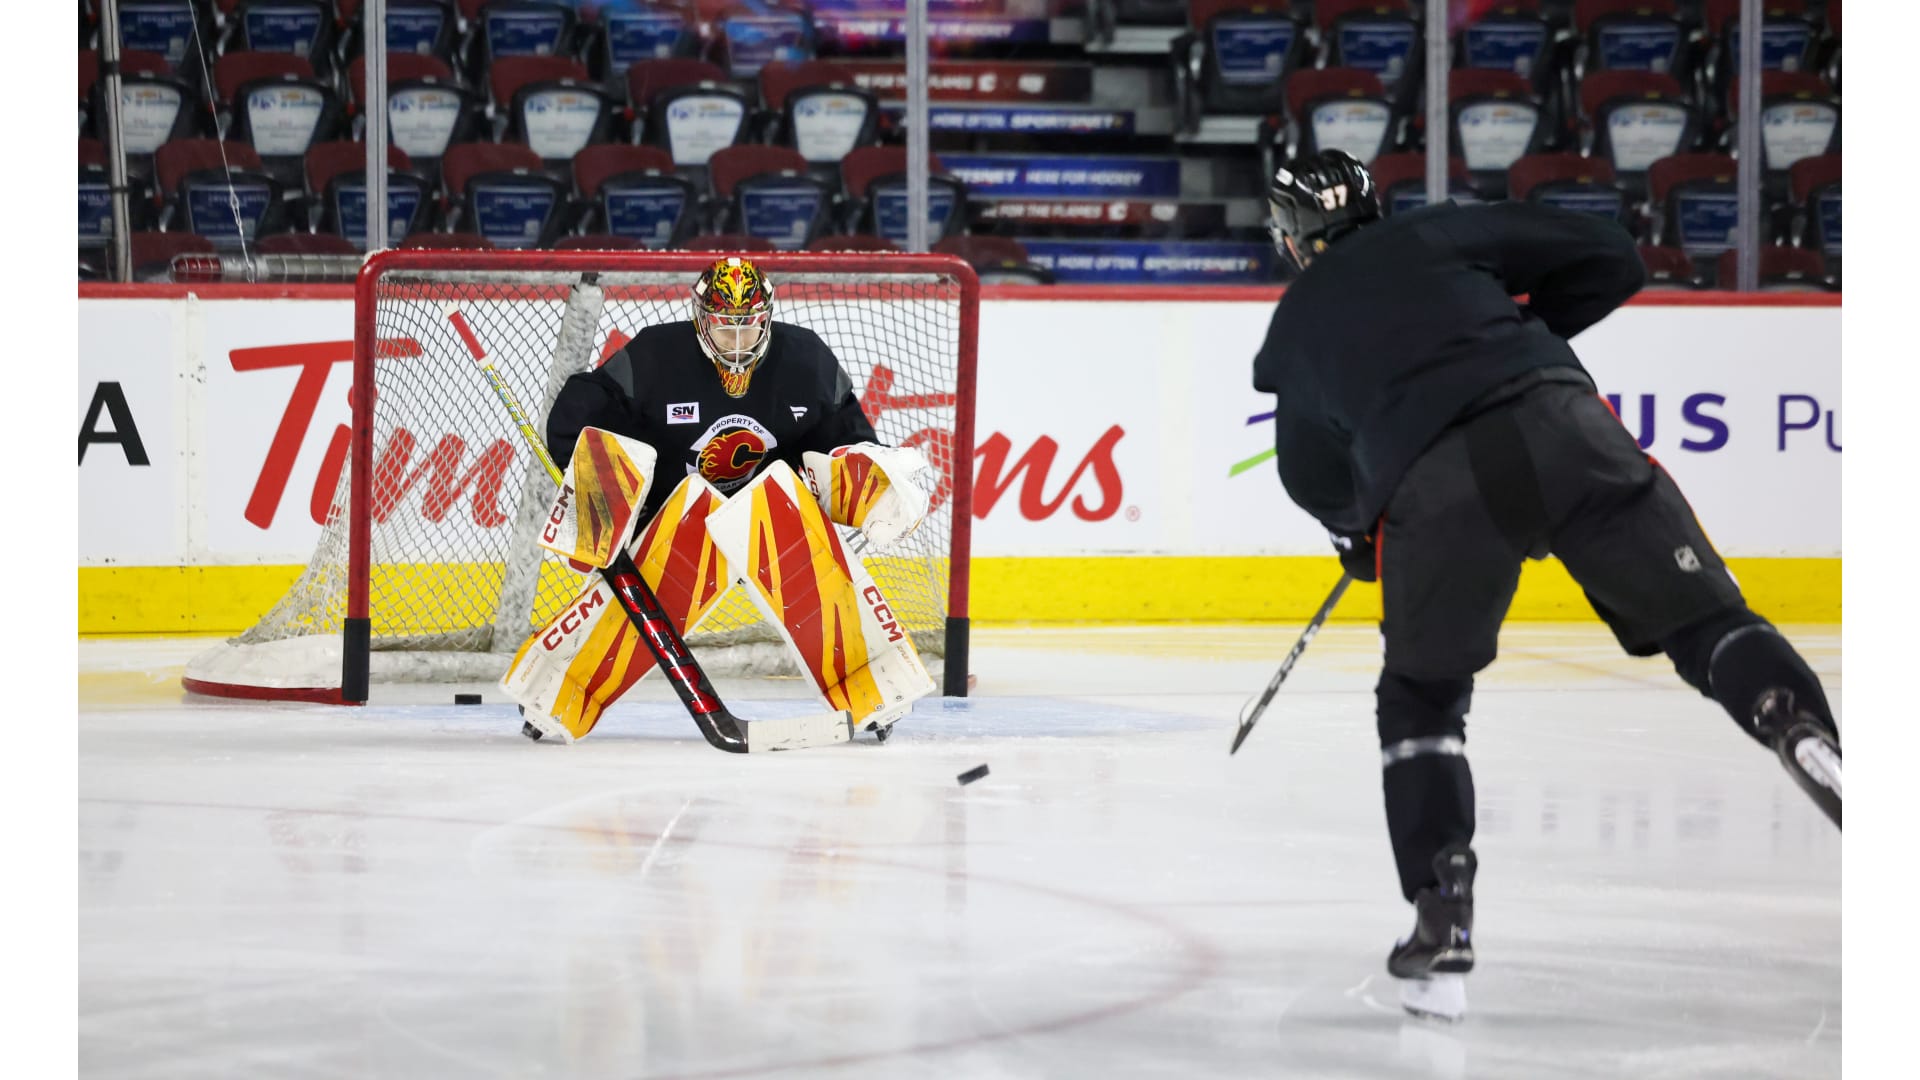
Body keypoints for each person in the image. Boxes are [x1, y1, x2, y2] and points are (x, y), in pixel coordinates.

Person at [1251, 151, 1842, 1020]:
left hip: (1437, 483)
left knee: (1422, 695)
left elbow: (1308, 474)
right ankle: (1793, 722)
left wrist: (1358, 541)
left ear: (1294, 240)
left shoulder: (1294, 327)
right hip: (1562, 422)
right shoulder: (1440, 231)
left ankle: (1442, 906)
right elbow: (1613, 254)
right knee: (1709, 623)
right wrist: (1530, 329)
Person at [502, 256, 939, 744]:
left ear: (766, 319)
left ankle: (872, 687)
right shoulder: (655, 356)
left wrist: (876, 484)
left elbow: (848, 444)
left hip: (772, 519)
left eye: (747, 327)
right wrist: (600, 495)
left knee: (786, 515)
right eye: (723, 328)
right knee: (680, 531)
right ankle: (557, 692)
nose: (736, 341)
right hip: (676, 519)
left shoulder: (806, 361)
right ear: (701, 319)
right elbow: (577, 413)